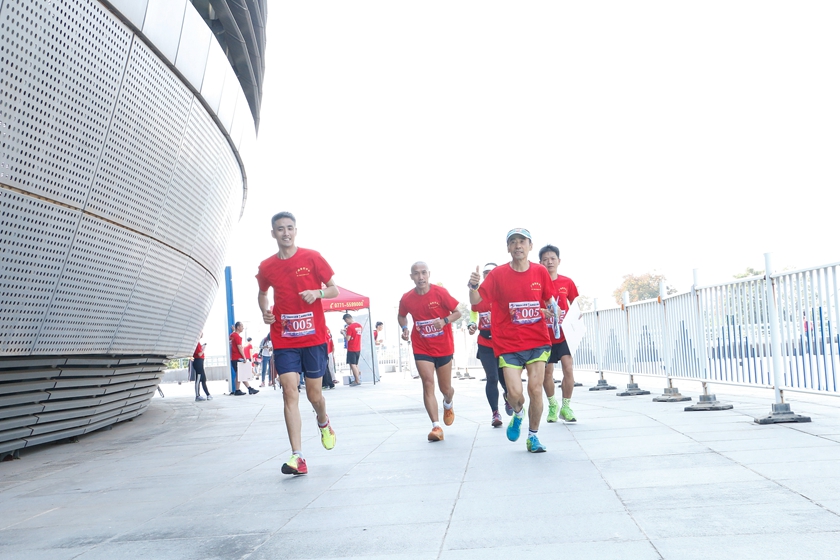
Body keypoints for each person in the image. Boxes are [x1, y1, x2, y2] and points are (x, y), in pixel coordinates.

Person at [257, 211, 338, 476]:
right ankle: (298, 456)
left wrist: (318, 292)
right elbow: (262, 293)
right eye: (280, 229)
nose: (285, 233)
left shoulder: (312, 257)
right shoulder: (268, 266)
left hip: (313, 338)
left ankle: (323, 422)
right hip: (284, 337)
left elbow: (333, 289)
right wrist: (265, 311)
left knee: (315, 395)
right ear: (273, 233)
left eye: (290, 228)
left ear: (295, 230)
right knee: (289, 391)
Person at [468, 228, 557, 453]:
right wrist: (473, 286)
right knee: (515, 393)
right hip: (508, 344)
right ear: (508, 248)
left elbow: (549, 299)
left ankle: (533, 437)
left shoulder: (540, 272)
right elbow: (477, 302)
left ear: (530, 246)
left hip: (537, 340)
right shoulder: (498, 275)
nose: (518, 245)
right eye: (513, 242)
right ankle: (518, 414)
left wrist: (551, 310)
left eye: (522, 241)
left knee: (536, 389)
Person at [398, 262, 461, 442]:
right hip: (421, 346)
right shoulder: (407, 298)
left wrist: (444, 320)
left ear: (429, 274)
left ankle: (448, 402)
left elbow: (457, 312)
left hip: (443, 346)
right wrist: (404, 327)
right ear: (412, 277)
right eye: (416, 274)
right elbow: (401, 314)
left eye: (423, 273)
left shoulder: (440, 293)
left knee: (445, 388)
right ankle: (436, 426)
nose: (420, 277)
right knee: (427, 383)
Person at [540, 244, 580, 423]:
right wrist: (543, 311)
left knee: (568, 367)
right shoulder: (537, 283)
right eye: (545, 259)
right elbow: (531, 305)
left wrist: (577, 315)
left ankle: (566, 406)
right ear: (540, 262)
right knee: (547, 373)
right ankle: (552, 405)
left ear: (559, 261)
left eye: (552, 259)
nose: (549, 262)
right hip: (544, 335)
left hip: (564, 334)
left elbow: (576, 303)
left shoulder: (567, 282)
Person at [467, 263, 508, 427]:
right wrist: (471, 324)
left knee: (505, 378)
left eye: (492, 272)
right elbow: (473, 312)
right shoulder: (479, 294)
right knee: (492, 377)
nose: (489, 275)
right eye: (486, 273)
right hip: (485, 342)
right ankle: (495, 413)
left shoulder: (505, 291)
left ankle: (508, 395)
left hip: (504, 343)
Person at [230, 322, 258, 395]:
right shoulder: (237, 337)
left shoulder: (232, 335)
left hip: (233, 358)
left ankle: (247, 389)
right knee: (240, 374)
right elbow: (239, 348)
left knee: (239, 374)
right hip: (237, 358)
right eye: (242, 326)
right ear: (238, 327)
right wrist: (244, 357)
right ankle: (240, 389)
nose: (243, 327)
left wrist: (233, 330)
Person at [342, 313, 363, 386]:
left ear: (347, 319)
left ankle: (357, 380)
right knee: (356, 364)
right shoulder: (359, 325)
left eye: (345, 321)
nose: (346, 322)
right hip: (358, 347)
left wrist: (343, 333)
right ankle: (358, 378)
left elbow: (348, 338)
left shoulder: (350, 327)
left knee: (352, 365)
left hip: (352, 348)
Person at [192, 331, 211, 401]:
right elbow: (199, 354)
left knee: (203, 379)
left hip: (200, 362)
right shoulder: (196, 344)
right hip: (198, 362)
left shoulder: (198, 343)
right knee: (198, 379)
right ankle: (197, 396)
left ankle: (208, 394)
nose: (202, 333)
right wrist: (204, 349)